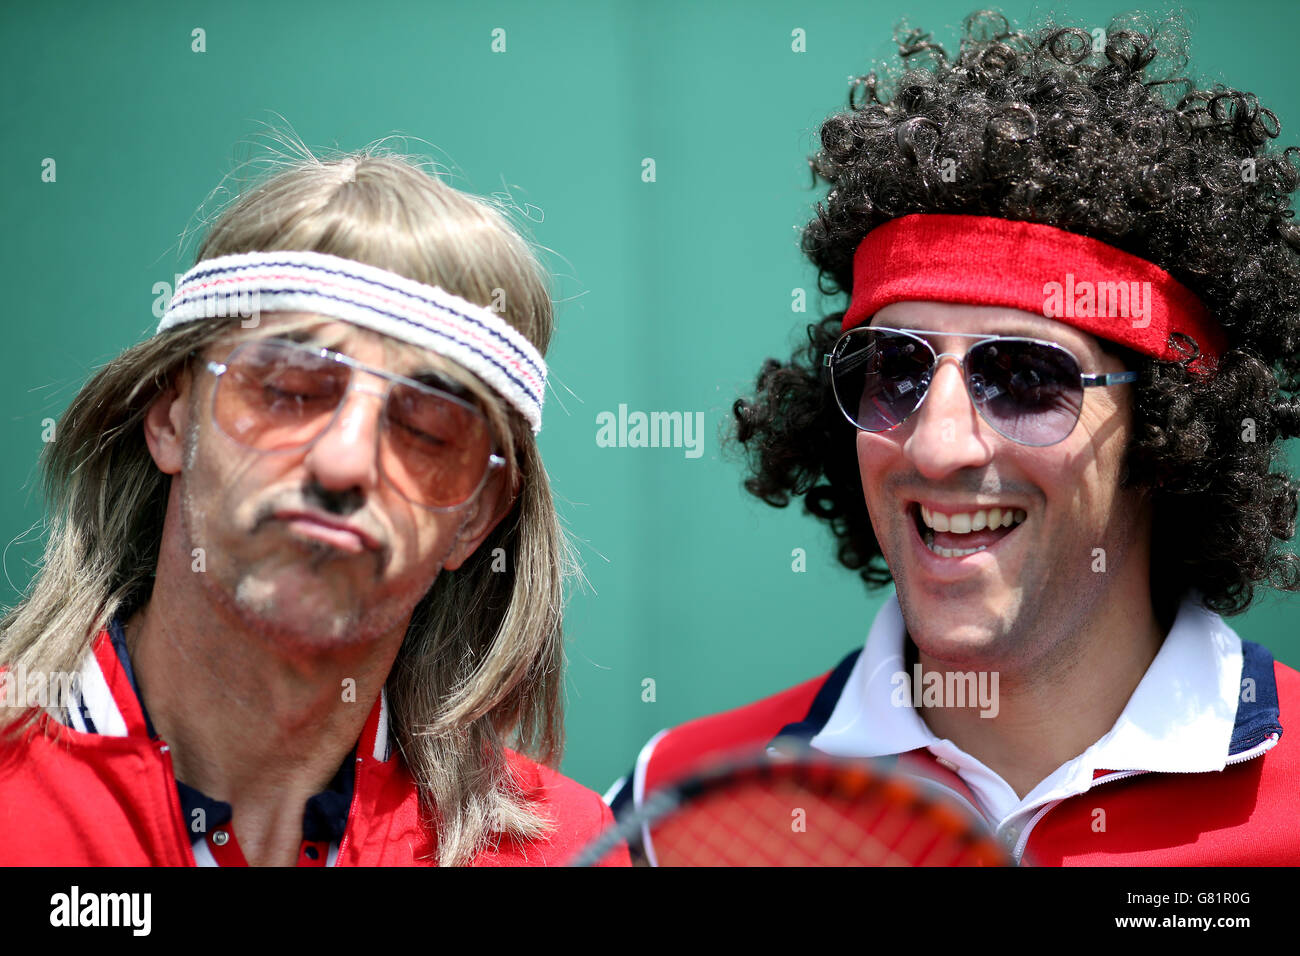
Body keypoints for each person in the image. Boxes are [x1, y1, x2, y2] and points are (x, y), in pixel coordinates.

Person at [607, 10, 1300, 865]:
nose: (937, 447)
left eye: (1025, 377)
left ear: (1168, 433)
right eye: (894, 367)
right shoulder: (672, 809)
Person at [0, 142, 628, 867]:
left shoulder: (559, 853)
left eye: (427, 430)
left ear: (475, 517)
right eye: (290, 388)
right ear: (172, 416)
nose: (344, 462)